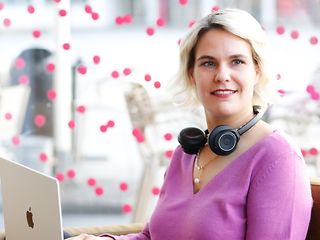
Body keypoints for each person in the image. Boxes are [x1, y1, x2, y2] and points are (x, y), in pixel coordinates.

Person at [67, 8, 312, 240]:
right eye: (208, 63)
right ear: (191, 74)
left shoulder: (277, 157)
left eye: (237, 61)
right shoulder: (186, 154)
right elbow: (152, 237)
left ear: (257, 71)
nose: (222, 75)